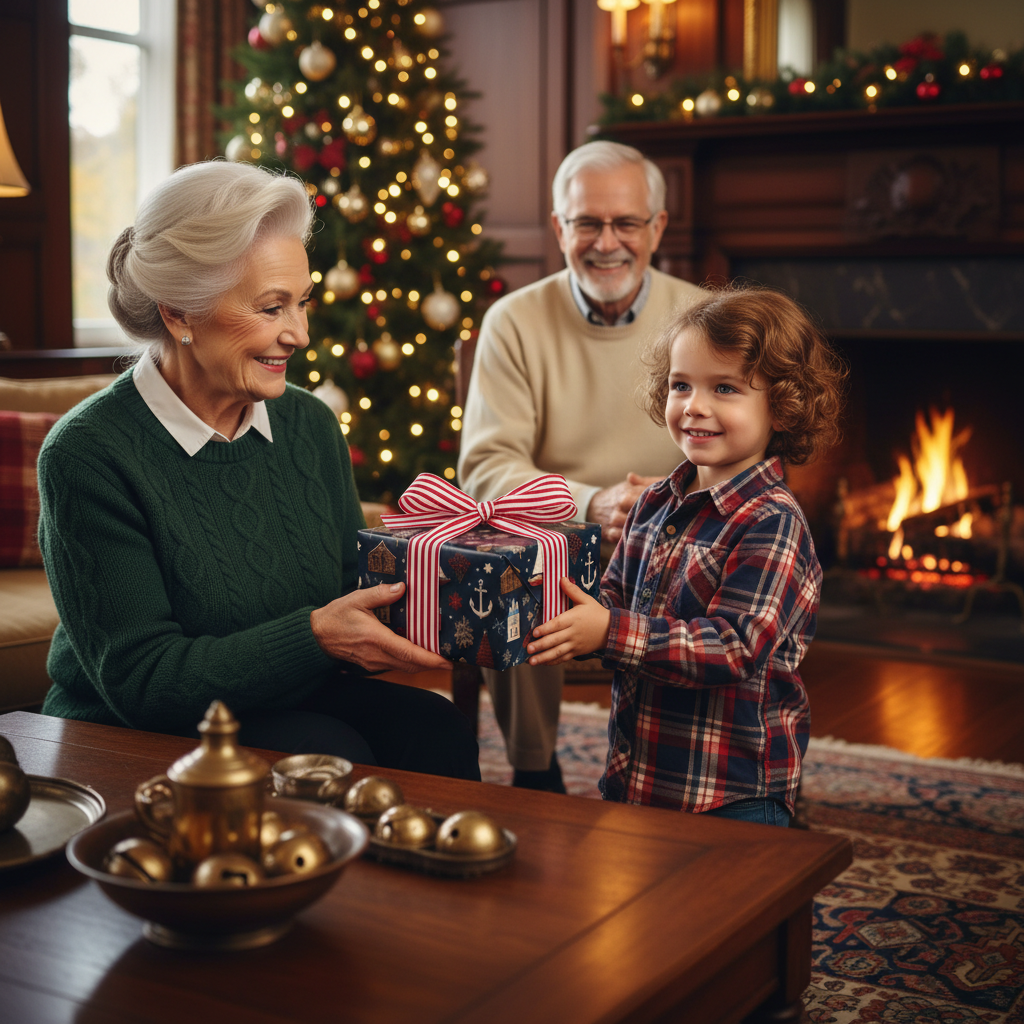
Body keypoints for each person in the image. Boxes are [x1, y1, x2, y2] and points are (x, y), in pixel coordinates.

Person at [37, 161, 479, 780]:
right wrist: (317, 637)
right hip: (135, 723)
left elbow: (346, 595)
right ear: (179, 315)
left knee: (438, 729)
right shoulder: (88, 453)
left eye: (301, 303)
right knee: (330, 757)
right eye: (271, 308)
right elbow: (144, 683)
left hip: (288, 694)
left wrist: (468, 603)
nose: (298, 333)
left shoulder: (309, 424)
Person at [525, 287, 846, 824]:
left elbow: (734, 647)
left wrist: (609, 631)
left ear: (783, 407)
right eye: (681, 385)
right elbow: (613, 599)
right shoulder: (654, 502)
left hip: (734, 793)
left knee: (727, 908)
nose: (695, 406)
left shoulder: (774, 523)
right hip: (640, 775)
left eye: (725, 388)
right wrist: (560, 610)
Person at [458, 140, 704, 792]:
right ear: (559, 226)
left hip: (679, 537)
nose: (606, 242)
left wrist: (667, 502)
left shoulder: (705, 320)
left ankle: (687, 774)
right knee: (508, 566)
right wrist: (591, 503)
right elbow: (486, 466)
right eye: (587, 223)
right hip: (561, 541)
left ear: (657, 227)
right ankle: (535, 770)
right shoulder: (513, 321)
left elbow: (743, 451)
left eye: (625, 223)